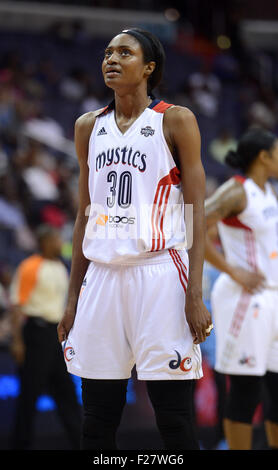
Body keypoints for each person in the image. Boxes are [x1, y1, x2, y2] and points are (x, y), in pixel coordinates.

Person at [57, 27, 212, 451]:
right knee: (97, 420)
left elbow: (195, 211)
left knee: (175, 420)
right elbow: (83, 214)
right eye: (107, 52)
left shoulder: (175, 120)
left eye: (124, 53)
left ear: (149, 67)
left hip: (160, 273)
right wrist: (72, 301)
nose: (111, 59)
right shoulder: (88, 126)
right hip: (102, 279)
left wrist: (194, 293)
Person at [205, 127, 278, 450]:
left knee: (276, 387)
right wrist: (232, 269)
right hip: (246, 299)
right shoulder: (237, 191)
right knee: (247, 390)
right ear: (264, 157)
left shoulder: (269, 191)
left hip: (272, 295)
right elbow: (194, 224)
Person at [10, 225, 82, 449]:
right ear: (43, 242)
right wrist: (18, 341)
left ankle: (80, 443)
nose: (59, 243)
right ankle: (20, 444)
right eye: (55, 240)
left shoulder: (61, 266)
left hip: (55, 335)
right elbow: (16, 306)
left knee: (66, 393)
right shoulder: (30, 266)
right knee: (29, 395)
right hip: (36, 333)